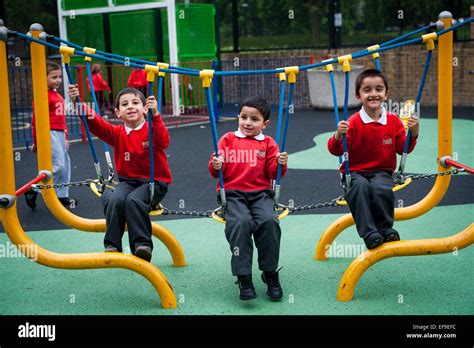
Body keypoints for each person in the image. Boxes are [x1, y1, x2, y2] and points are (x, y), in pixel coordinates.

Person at [68, 85, 171, 262]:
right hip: (128, 182)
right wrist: (78, 102)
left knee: (133, 201)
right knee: (115, 199)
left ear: (145, 108)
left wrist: (156, 115)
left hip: (154, 183)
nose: (130, 106)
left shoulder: (152, 129)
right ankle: (112, 244)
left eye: (135, 102)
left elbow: (163, 141)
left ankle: (142, 245)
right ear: (118, 112)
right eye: (125, 104)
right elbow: (96, 123)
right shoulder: (117, 133)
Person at [327, 69, 419, 249]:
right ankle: (370, 233)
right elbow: (335, 150)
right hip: (354, 172)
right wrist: (338, 135)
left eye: (378, 89)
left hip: (381, 171)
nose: (373, 94)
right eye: (367, 90)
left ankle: (385, 228)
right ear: (358, 95)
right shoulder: (352, 123)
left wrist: (413, 133)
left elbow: (403, 148)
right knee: (359, 188)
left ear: (386, 94)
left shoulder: (393, 121)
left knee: (381, 188)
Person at [209, 96, 288, 301]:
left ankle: (270, 272)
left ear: (265, 124)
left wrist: (280, 164)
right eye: (243, 117)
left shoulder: (268, 143)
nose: (247, 123)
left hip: (260, 195)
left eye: (254, 119)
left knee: (270, 222)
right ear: (238, 117)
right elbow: (215, 169)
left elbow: (272, 173)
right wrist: (216, 165)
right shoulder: (227, 139)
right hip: (233, 195)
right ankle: (243, 276)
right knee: (240, 223)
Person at [26, 61, 76, 209]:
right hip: (48, 133)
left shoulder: (56, 94)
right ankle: (34, 187)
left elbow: (62, 118)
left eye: (60, 77)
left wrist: (65, 136)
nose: (58, 80)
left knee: (65, 165)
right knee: (58, 165)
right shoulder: (42, 95)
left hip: (59, 133)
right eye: (54, 77)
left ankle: (62, 195)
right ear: (44, 77)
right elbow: (36, 120)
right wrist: (36, 141)